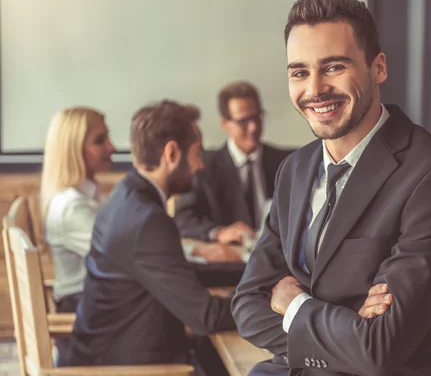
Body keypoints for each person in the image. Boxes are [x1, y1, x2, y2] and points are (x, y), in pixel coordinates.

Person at [231, 0, 431, 376]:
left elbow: (380, 349)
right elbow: (247, 304)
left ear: (378, 67)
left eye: (333, 67)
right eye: (299, 72)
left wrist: (294, 304)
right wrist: (345, 329)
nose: (314, 89)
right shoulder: (294, 169)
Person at [64, 100, 236, 375]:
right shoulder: (146, 221)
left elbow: (175, 272)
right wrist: (266, 300)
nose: (201, 165)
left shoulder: (127, 195)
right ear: (172, 153)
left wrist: (244, 277)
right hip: (126, 368)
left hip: (116, 355)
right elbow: (206, 316)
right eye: (197, 153)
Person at [174, 81, 292, 244]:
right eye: (243, 121)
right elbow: (183, 221)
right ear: (225, 123)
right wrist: (218, 232)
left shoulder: (286, 163)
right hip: (230, 262)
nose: (253, 127)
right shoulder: (204, 168)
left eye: (257, 116)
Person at [40, 107, 115, 362]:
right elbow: (122, 257)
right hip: (84, 324)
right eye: (100, 141)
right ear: (72, 148)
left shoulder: (87, 197)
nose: (112, 147)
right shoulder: (72, 206)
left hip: (89, 311)